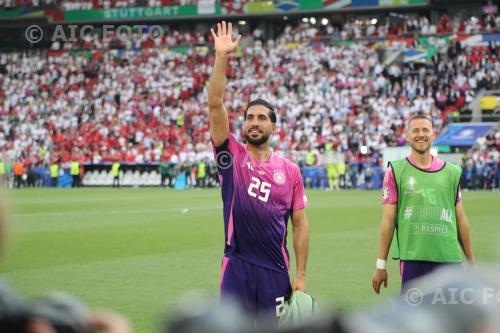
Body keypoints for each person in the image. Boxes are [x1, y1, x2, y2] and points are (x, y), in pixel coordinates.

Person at [208, 21, 310, 321]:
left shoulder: (290, 171)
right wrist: (222, 57)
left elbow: (301, 224)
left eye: (262, 118)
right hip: (237, 264)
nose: (254, 122)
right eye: (249, 117)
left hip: (275, 270)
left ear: (273, 126)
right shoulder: (231, 157)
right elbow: (215, 104)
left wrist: (301, 275)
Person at [372, 115, 475, 295]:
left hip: (449, 259)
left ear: (434, 134)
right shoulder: (395, 171)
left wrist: (472, 263)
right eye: (416, 131)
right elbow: (388, 220)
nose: (421, 135)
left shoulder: (452, 172)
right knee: (414, 320)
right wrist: (381, 264)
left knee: (451, 320)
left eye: (425, 130)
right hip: (413, 258)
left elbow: (460, 219)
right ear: (407, 135)